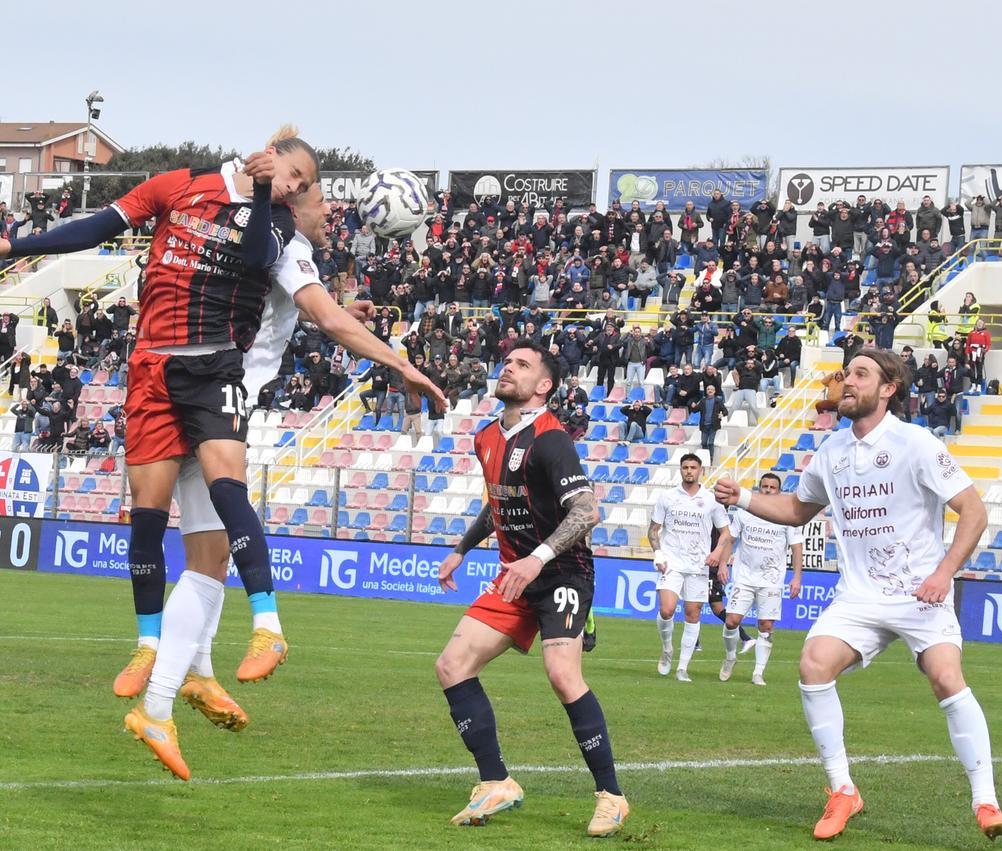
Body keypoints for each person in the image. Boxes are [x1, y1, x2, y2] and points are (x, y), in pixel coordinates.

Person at [0, 129, 320, 771]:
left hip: (216, 373)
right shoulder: (184, 186)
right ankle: (170, 660)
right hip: (156, 369)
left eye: (304, 187)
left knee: (220, 520)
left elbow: (263, 261)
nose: (300, 190)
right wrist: (16, 245)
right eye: (296, 176)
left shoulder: (278, 223)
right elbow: (99, 226)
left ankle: (254, 634)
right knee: (158, 524)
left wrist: (266, 196)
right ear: (267, 155)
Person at [114, 184, 445, 779]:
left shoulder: (263, 241)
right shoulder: (287, 244)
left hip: (185, 387)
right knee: (211, 556)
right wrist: (400, 363)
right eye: (322, 202)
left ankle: (194, 674)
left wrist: (333, 312)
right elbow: (327, 317)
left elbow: (293, 307)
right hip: (212, 398)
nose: (332, 213)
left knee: (209, 558)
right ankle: (166, 698)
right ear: (295, 204)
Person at [712, 348, 1002, 842]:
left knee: (945, 676)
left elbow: (974, 511)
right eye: (846, 372)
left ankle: (986, 802)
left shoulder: (915, 442)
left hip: (920, 594)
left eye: (861, 374)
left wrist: (944, 573)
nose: (847, 381)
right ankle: (843, 791)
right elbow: (797, 509)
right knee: (813, 664)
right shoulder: (831, 450)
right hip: (859, 596)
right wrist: (742, 497)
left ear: (888, 388)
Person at [433, 340, 628, 837]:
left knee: (562, 674)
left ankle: (611, 796)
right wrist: (462, 548)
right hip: (514, 575)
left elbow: (586, 511)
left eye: (522, 365)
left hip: (562, 572)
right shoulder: (486, 437)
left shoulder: (551, 439)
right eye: (507, 362)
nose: (508, 368)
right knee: (452, 666)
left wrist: (537, 559)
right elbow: (500, 500)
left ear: (544, 385)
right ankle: (496, 782)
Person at [650, 453, 732, 682]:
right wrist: (658, 554)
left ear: (700, 471)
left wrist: (716, 553)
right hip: (672, 562)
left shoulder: (711, 500)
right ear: (680, 470)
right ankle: (667, 649)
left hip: (698, 565)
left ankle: (682, 668)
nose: (689, 471)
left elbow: (726, 533)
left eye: (693, 467)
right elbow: (653, 529)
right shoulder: (667, 497)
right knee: (667, 610)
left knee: (692, 613)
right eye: (685, 467)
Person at [718, 470, 802, 686]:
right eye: (765, 486)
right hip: (744, 577)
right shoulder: (744, 513)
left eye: (772, 488)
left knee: (766, 625)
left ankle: (758, 672)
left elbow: (796, 547)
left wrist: (797, 577)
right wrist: (723, 564)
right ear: (759, 488)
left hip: (771, 579)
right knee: (731, 621)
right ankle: (730, 656)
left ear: (779, 492)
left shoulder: (787, 517)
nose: (768, 490)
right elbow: (730, 539)